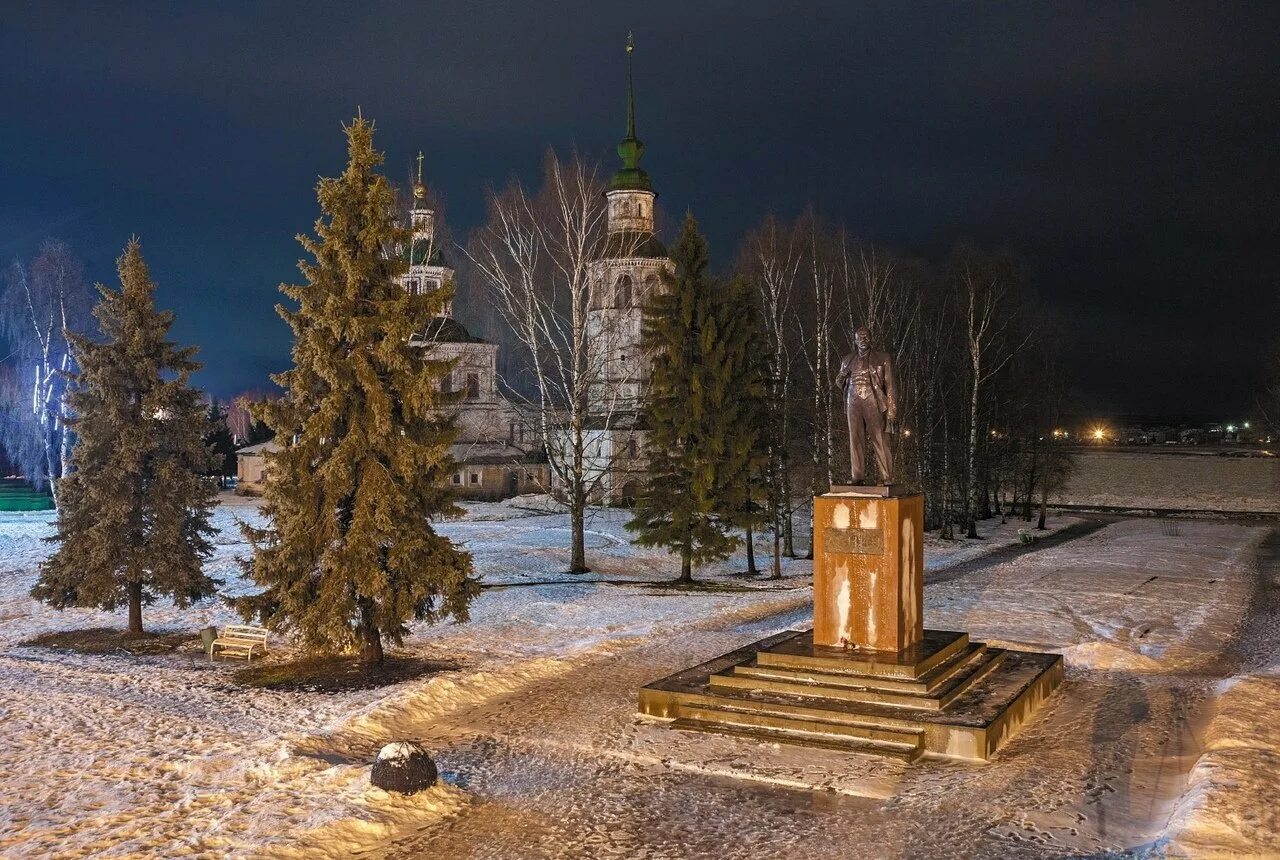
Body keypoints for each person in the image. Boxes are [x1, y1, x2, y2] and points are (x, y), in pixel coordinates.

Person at [835, 327, 897, 484]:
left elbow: (890, 385)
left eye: (866, 336)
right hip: (852, 399)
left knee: (880, 438)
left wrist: (891, 408)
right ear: (855, 340)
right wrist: (842, 374)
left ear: (871, 339)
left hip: (872, 399)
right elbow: (839, 383)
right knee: (855, 438)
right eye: (860, 337)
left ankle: (887, 477)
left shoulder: (883, 358)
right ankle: (857, 476)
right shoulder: (847, 360)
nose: (863, 339)